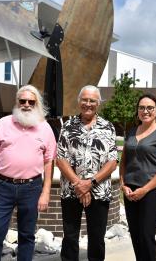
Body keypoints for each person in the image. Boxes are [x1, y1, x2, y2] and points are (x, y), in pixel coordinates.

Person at [0, 85, 57, 261]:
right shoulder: (3, 123)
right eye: (22, 101)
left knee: (27, 236)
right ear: (17, 102)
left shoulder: (45, 128)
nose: (26, 105)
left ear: (37, 104)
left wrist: (46, 193)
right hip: (3, 187)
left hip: (31, 188)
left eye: (31, 101)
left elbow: (49, 162)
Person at [56, 85, 118, 261]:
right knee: (70, 237)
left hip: (99, 192)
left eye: (92, 100)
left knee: (97, 238)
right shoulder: (67, 126)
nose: (88, 104)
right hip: (71, 190)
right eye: (85, 99)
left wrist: (89, 184)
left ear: (98, 103)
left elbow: (112, 162)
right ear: (79, 101)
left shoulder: (108, 127)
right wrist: (78, 184)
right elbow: (60, 159)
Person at [120, 93, 156, 261]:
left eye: (150, 108)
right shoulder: (131, 132)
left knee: (146, 236)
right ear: (137, 111)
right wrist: (123, 184)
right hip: (130, 191)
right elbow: (123, 162)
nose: (145, 111)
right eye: (141, 108)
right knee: (136, 236)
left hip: (153, 192)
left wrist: (144, 189)